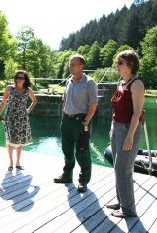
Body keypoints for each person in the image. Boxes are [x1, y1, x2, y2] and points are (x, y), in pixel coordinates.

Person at [105, 50, 144, 218]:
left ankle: (129, 210)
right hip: (116, 127)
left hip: (129, 129)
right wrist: (112, 128)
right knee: (117, 167)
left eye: (120, 63)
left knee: (123, 169)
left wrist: (129, 136)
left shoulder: (137, 84)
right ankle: (121, 202)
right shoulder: (121, 83)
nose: (117, 66)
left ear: (131, 65)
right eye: (117, 62)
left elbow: (136, 113)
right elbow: (117, 108)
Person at [53, 54, 98, 193]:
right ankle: (67, 175)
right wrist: (63, 117)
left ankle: (83, 180)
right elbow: (64, 101)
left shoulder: (90, 83)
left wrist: (87, 120)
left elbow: (93, 103)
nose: (70, 67)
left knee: (82, 152)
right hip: (66, 120)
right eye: (70, 64)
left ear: (81, 66)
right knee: (66, 149)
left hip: (80, 121)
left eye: (73, 64)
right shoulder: (69, 81)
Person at [0, 70, 37, 171]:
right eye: (17, 77)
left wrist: (28, 110)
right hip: (10, 117)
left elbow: (34, 100)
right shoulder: (9, 88)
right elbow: (3, 102)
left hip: (22, 118)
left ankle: (18, 162)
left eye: (21, 78)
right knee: (10, 140)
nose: (19, 79)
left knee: (20, 141)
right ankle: (10, 162)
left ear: (25, 79)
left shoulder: (28, 90)